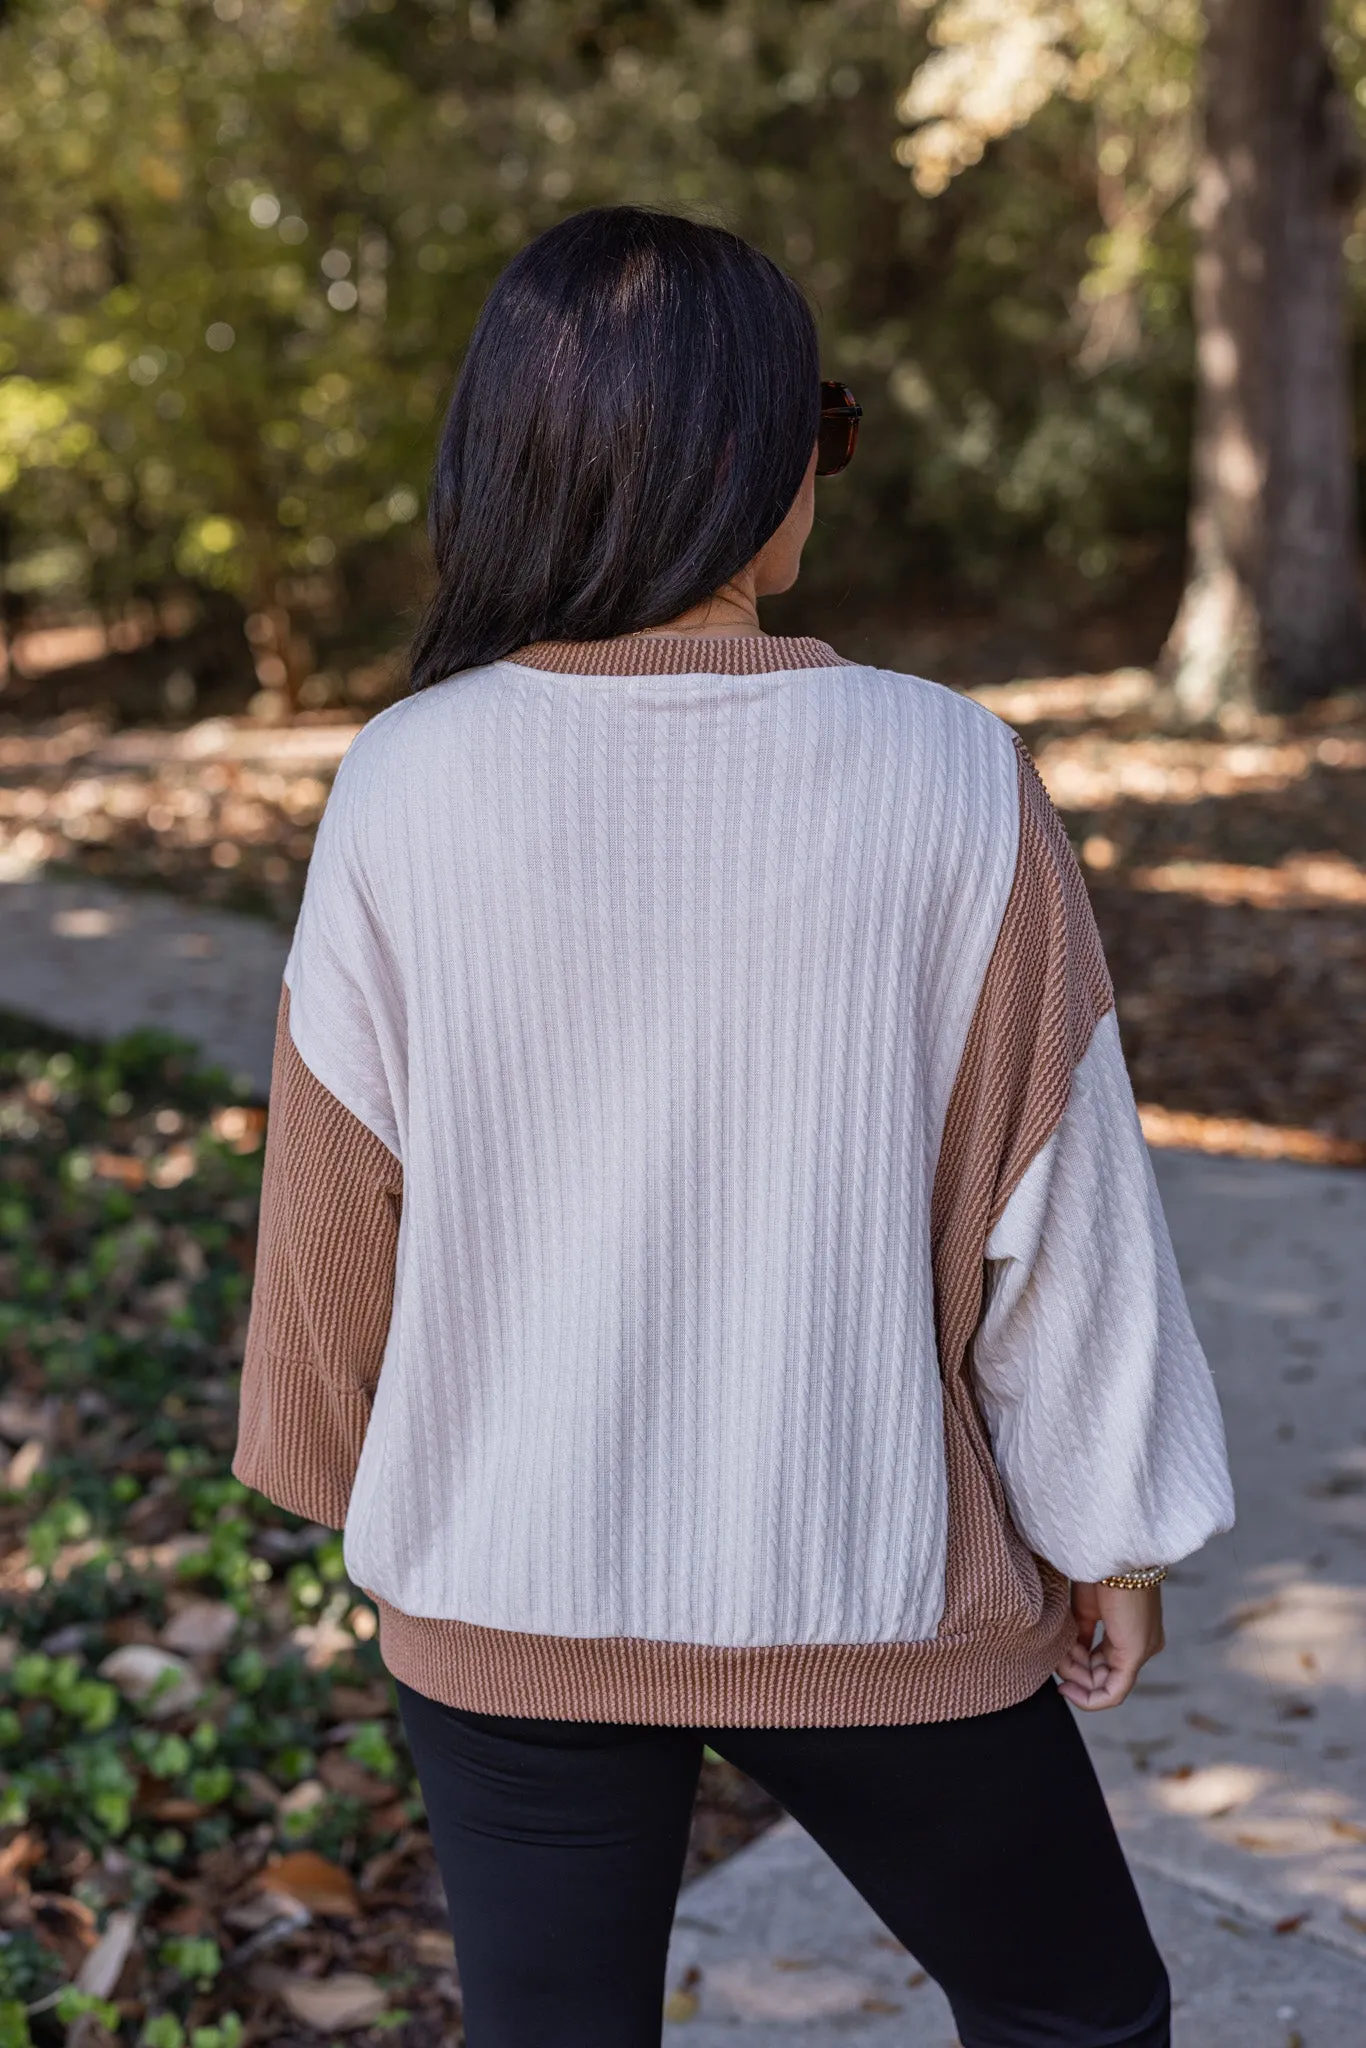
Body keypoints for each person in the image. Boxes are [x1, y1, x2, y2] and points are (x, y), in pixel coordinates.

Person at [233, 205, 1235, 2048]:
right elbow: (1057, 1198)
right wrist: (1111, 1532)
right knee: (1078, 2013)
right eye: (820, 428)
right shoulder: (951, 770)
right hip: (866, 1584)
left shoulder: (399, 780)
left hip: (500, 1591)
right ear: (741, 461)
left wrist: (357, 1491)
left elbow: (328, 1220)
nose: (822, 470)